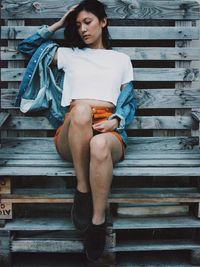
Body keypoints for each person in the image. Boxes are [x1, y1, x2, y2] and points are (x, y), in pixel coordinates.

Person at [16, 0, 137, 262]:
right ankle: (82, 190)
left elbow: (129, 100)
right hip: (72, 128)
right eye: (78, 24)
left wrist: (116, 120)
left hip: (108, 126)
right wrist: (59, 24)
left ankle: (97, 222)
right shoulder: (68, 54)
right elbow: (26, 47)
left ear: (104, 22)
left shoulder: (121, 59)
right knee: (81, 110)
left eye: (88, 21)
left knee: (100, 145)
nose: (82, 29)